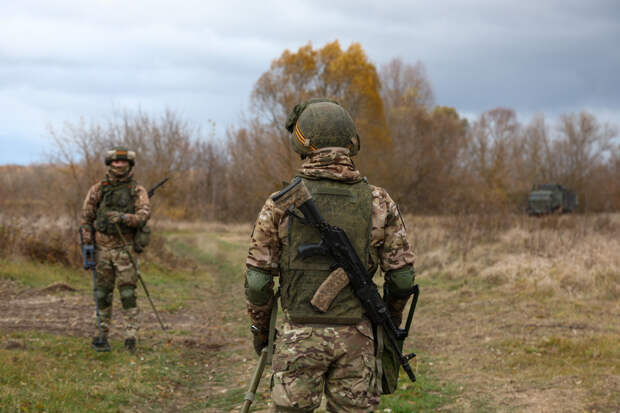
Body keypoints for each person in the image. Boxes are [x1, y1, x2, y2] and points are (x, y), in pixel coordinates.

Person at [245, 99, 416, 412]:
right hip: (359, 339)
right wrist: (388, 320)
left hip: (299, 338)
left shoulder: (278, 204)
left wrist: (262, 332)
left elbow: (257, 282)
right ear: (351, 143)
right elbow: (402, 279)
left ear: (301, 142)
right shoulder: (379, 200)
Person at [79, 147, 151, 352]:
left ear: (129, 165)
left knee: (128, 293)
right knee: (102, 294)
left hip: (125, 249)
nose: (119, 166)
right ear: (109, 164)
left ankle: (131, 336)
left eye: (123, 163)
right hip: (101, 249)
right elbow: (86, 218)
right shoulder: (97, 189)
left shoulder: (137, 190)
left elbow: (144, 215)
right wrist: (88, 245)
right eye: (115, 163)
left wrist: (123, 218)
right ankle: (101, 335)